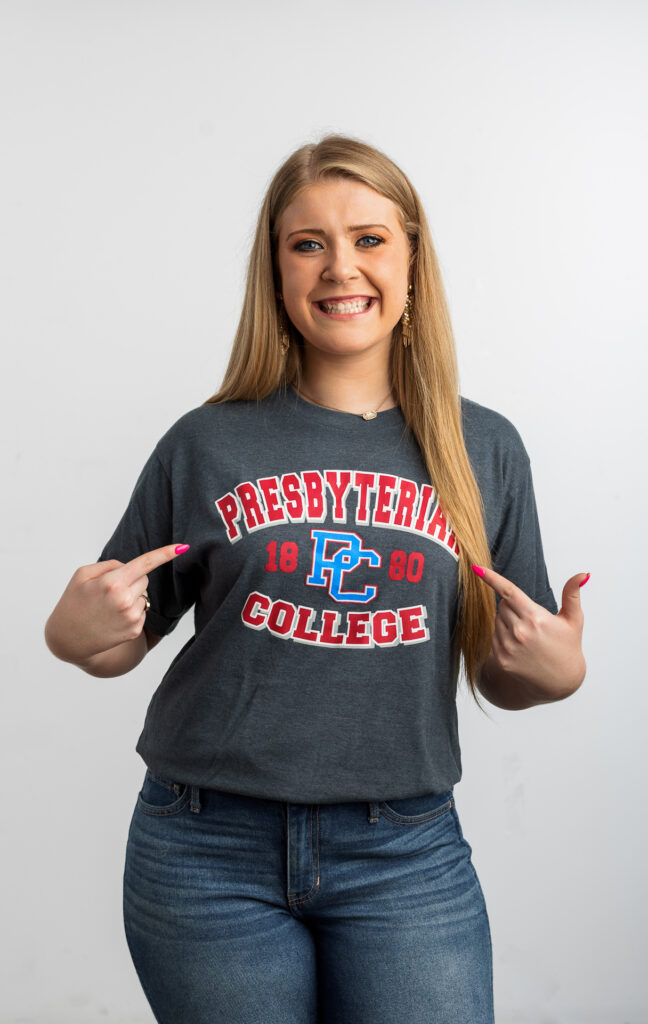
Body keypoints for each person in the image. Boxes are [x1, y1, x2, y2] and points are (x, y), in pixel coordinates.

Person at [44, 133, 588, 1024]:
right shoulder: (206, 442)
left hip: (404, 851)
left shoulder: (483, 448)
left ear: (412, 261)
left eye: (369, 238)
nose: (341, 267)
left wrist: (555, 674)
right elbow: (117, 639)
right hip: (205, 848)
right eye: (308, 244)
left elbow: (508, 668)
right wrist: (72, 637)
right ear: (276, 271)